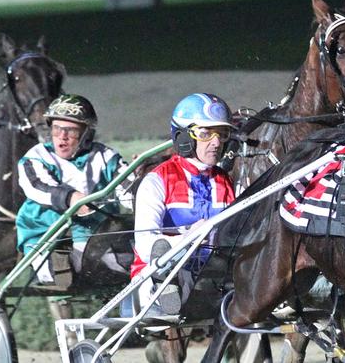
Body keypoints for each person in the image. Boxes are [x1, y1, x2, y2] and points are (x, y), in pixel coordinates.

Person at [130, 93, 236, 316]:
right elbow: (144, 245)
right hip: (156, 275)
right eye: (206, 134)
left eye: (222, 134)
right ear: (184, 137)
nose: (216, 143)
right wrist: (188, 238)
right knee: (170, 263)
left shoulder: (225, 181)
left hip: (211, 277)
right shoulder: (157, 181)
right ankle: (166, 286)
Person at [16, 93, 133, 283]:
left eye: (70, 131)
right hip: (48, 236)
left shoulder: (106, 157)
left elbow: (129, 190)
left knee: (131, 267)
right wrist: (70, 198)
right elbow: (37, 185)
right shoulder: (36, 157)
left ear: (86, 133)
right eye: (56, 129)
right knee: (62, 274)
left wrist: (143, 182)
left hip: (99, 236)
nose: (62, 137)